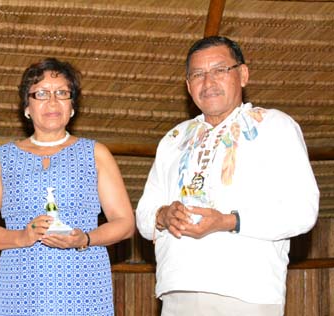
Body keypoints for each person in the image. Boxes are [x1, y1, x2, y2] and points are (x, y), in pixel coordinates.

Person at [135, 36, 319, 315]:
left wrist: (229, 221)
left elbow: (302, 211)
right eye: (198, 74)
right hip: (177, 290)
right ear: (188, 85)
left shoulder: (274, 126)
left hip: (246, 292)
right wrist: (162, 215)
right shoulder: (173, 139)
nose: (208, 82)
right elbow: (143, 215)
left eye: (220, 70)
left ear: (242, 74)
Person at [0, 58, 136, 315]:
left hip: (85, 286)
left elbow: (125, 222)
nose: (52, 101)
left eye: (61, 93)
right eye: (41, 94)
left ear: (72, 106)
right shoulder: (2, 158)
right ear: (27, 106)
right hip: (21, 287)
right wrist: (21, 237)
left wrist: (86, 238)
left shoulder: (95, 153)